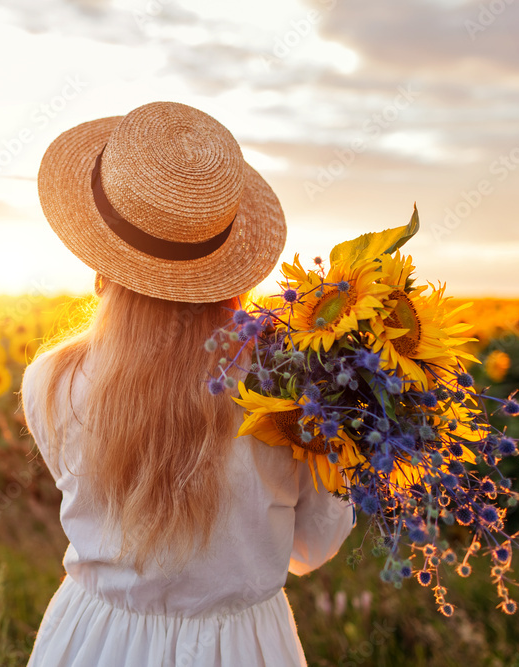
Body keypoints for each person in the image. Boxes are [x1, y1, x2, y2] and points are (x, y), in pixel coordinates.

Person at [19, 101, 354, 667]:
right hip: (243, 649)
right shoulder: (296, 392)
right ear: (232, 272)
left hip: (93, 641)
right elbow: (312, 548)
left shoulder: (51, 379)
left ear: (103, 263)